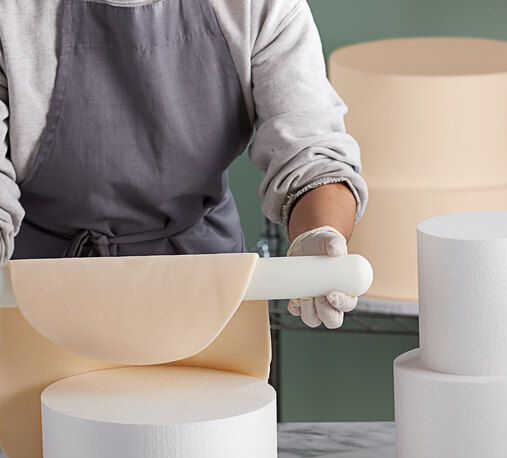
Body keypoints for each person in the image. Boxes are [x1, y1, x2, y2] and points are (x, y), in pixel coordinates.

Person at [0, 0, 367, 328]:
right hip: (36, 298)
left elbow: (312, 152)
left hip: (204, 292)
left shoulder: (259, 6)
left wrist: (318, 236)